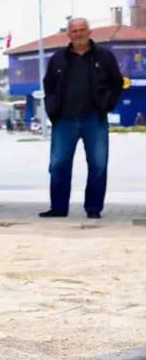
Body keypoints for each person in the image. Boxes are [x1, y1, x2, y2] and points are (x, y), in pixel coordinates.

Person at [38, 17, 124, 219]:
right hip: (64, 120)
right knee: (58, 164)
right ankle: (59, 208)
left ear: (89, 32)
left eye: (82, 30)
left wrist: (107, 104)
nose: (79, 34)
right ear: (69, 34)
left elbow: (117, 82)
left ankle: (93, 208)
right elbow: (48, 84)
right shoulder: (58, 58)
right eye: (75, 31)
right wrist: (52, 107)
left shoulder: (104, 56)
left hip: (94, 119)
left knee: (98, 164)